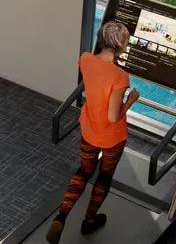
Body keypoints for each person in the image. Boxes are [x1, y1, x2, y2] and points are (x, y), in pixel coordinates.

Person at [46, 22, 138, 243]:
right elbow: (113, 117)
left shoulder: (85, 59)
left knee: (84, 171)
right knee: (104, 177)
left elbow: (96, 82)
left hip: (89, 129)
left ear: (100, 38)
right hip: (112, 137)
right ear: (122, 46)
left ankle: (61, 216)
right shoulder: (120, 76)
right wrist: (130, 101)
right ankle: (89, 221)